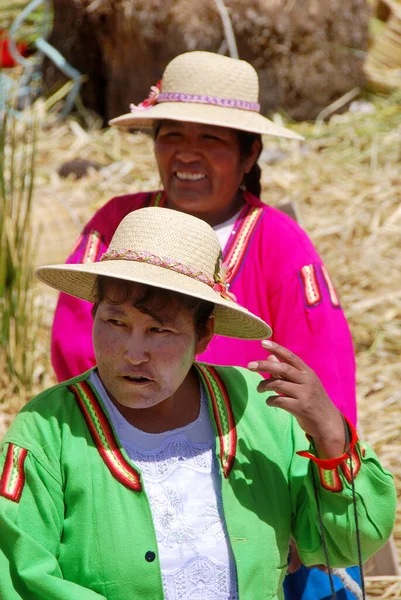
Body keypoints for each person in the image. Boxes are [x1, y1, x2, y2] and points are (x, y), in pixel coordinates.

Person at [51, 51, 358, 596]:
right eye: (171, 135)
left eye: (212, 139)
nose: (187, 154)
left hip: (249, 482)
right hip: (117, 456)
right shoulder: (117, 223)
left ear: (249, 154)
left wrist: (298, 495)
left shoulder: (281, 245)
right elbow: (75, 340)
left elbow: (322, 381)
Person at [0, 207, 396, 600]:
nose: (133, 353)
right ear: (93, 313)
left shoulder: (257, 411)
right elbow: (21, 578)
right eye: (115, 322)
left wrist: (329, 432)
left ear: (204, 335)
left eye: (160, 330)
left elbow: (348, 542)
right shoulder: (46, 432)